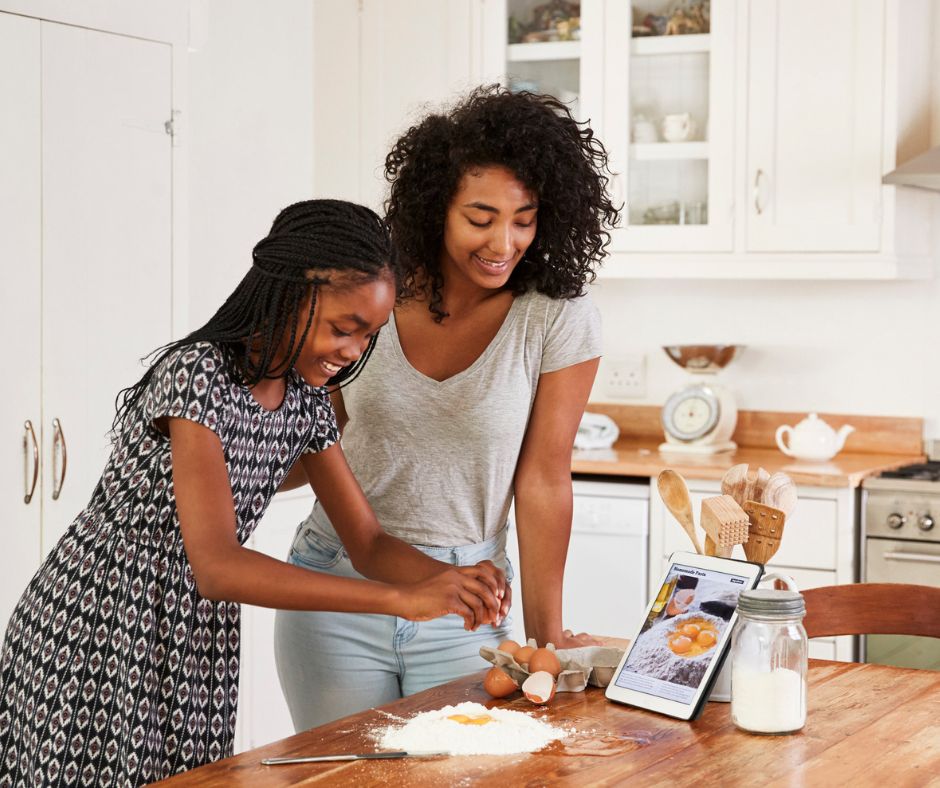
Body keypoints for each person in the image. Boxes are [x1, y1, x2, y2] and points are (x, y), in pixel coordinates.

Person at [0, 199, 507, 787]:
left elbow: (366, 542)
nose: (352, 352)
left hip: (192, 634)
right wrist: (399, 600)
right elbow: (217, 565)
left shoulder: (306, 399)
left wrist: (448, 583)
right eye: (343, 328)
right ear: (290, 295)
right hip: (101, 623)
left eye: (367, 337)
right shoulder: (197, 375)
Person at [274, 86, 620, 731]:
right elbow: (315, 436)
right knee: (338, 779)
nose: (504, 241)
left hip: (466, 599)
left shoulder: (555, 318)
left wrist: (547, 637)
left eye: (525, 217)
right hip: (337, 587)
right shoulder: (372, 297)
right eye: (480, 216)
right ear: (437, 210)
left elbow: (543, 477)